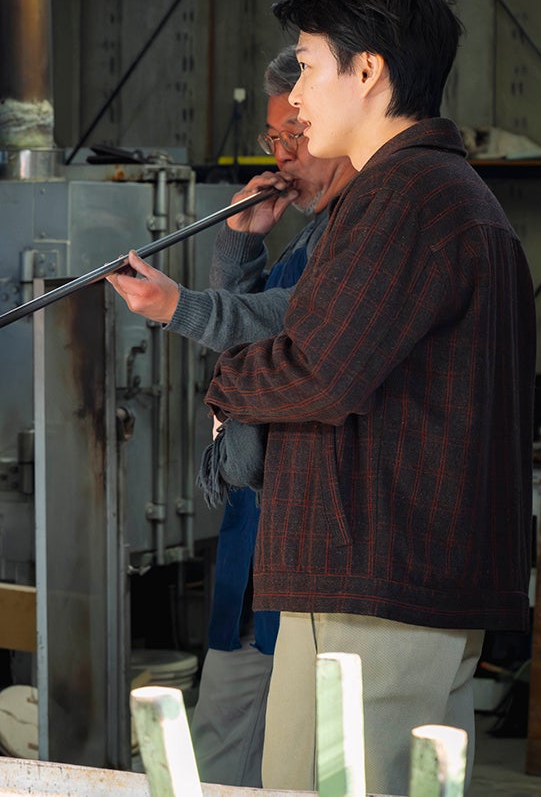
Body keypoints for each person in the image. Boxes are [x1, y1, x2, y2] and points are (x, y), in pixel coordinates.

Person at [203, 0, 535, 794]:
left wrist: (226, 388)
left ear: (369, 71)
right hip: (407, 586)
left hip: (369, 590)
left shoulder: (405, 196)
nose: (299, 96)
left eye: (310, 64)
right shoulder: (439, 194)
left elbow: (318, 372)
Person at [107, 46, 356, 787]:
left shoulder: (359, 235)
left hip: (313, 549)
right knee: (219, 746)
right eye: (274, 139)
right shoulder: (310, 235)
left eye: (294, 135)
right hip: (256, 545)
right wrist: (243, 241)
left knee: (295, 762)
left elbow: (285, 324)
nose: (283, 156)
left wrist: (181, 307)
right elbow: (251, 334)